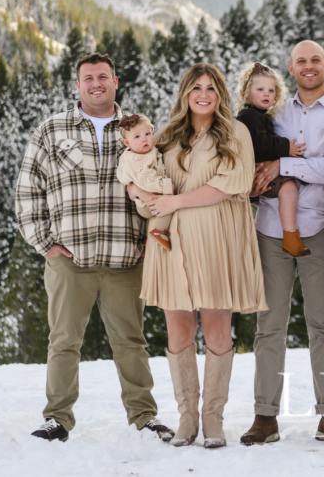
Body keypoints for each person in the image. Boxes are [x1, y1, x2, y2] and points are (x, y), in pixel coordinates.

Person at [15, 53, 173, 443]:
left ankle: (144, 417)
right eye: (88, 78)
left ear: (116, 81)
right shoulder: (52, 130)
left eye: (103, 76)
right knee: (64, 342)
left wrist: (148, 242)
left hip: (126, 258)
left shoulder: (139, 130)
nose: (96, 83)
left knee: (131, 342)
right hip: (70, 259)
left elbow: (162, 183)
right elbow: (27, 190)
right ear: (77, 85)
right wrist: (45, 244)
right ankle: (58, 418)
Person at [133, 63, 268, 448]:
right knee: (178, 331)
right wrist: (137, 192)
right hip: (171, 242)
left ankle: (213, 418)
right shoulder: (166, 135)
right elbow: (145, 182)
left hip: (216, 240)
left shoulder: (235, 132)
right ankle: (187, 417)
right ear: (185, 93)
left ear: (220, 93)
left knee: (216, 331)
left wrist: (174, 198)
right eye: (196, 88)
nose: (204, 94)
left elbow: (232, 184)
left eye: (211, 87)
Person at [241, 41, 324, 446]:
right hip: (271, 227)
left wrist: (283, 164)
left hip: (319, 226)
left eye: (315, 60)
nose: (309, 67)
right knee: (268, 326)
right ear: (291, 68)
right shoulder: (275, 113)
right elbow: (253, 159)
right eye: (301, 61)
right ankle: (265, 416)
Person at [235, 62, 309, 256]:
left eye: (271, 90)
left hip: (258, 170)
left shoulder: (262, 116)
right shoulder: (249, 115)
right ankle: (290, 236)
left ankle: (289, 234)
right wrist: (286, 147)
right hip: (254, 170)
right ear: (247, 92)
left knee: (289, 189)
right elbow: (258, 144)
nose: (266, 94)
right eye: (260, 89)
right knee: (290, 189)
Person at [116, 113, 174, 250]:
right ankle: (160, 230)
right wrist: (167, 186)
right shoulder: (135, 159)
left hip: (150, 197)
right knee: (169, 205)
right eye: (137, 136)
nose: (144, 139)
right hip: (145, 203)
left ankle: (149, 237)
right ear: (126, 143)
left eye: (147, 134)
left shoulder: (147, 152)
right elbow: (147, 181)